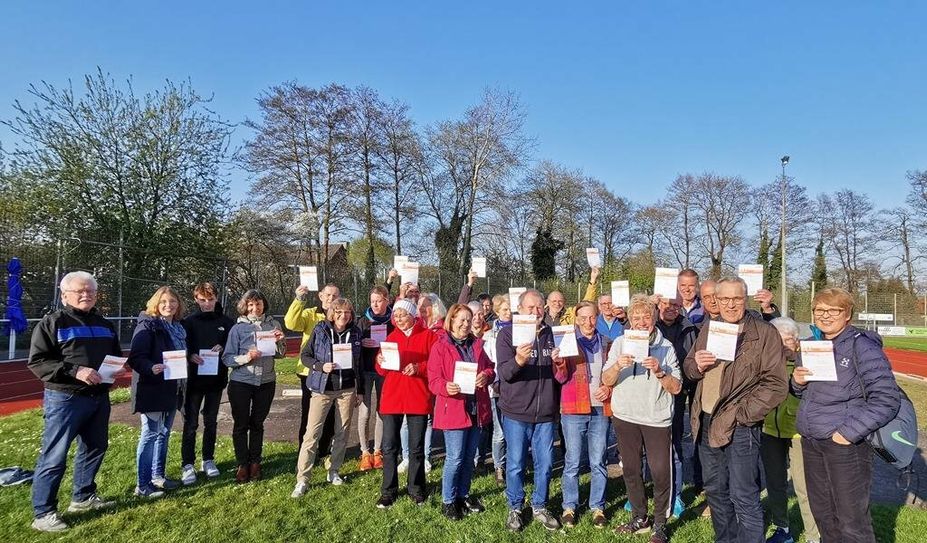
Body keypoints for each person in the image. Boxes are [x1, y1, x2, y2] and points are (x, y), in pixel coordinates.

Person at [683, 277, 788, 543]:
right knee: (716, 491)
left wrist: (743, 415)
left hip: (740, 426)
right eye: (725, 299)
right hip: (706, 421)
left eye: (737, 298)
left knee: (743, 494)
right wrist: (697, 365)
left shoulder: (764, 333)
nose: (730, 305)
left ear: (746, 299)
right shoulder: (710, 327)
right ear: (715, 301)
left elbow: (776, 384)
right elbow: (689, 368)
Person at [792, 288, 901, 543]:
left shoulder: (862, 346)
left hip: (845, 445)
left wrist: (847, 434)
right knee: (824, 516)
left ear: (847, 314)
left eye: (833, 310)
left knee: (852, 523)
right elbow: (804, 393)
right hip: (812, 440)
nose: (825, 315)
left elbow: (887, 398)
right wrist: (796, 382)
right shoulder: (813, 345)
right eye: (820, 310)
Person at [27, 271, 122, 532]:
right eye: (80, 291)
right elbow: (38, 362)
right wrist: (75, 371)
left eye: (90, 291)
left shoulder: (105, 324)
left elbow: (115, 354)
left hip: (98, 397)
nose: (86, 295)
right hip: (65, 398)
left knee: (95, 447)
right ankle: (43, 512)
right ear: (64, 294)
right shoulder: (53, 323)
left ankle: (83, 497)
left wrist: (116, 368)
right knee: (55, 455)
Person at [602, 294, 682, 543]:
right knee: (631, 470)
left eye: (646, 317)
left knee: (660, 472)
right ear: (630, 321)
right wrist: (618, 365)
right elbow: (606, 380)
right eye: (636, 317)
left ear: (654, 318)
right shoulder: (620, 343)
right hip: (625, 416)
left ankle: (660, 523)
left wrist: (659, 371)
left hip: (655, 418)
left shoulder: (666, 347)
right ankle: (639, 517)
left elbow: (677, 387)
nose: (641, 322)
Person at [497, 289, 569, 532]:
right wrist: (518, 360)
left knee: (546, 464)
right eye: (530, 307)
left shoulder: (553, 334)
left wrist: (560, 364)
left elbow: (561, 377)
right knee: (516, 463)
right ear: (519, 309)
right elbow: (504, 374)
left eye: (539, 307)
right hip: (516, 412)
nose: (536, 311)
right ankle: (515, 507)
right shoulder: (507, 334)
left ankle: (540, 504)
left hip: (546, 413)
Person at [428, 303, 495, 520]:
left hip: (476, 408)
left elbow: (491, 368)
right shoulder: (440, 346)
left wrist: (486, 376)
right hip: (454, 409)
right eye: (462, 320)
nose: (466, 324)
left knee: (468, 458)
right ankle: (448, 501)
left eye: (469, 319)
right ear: (452, 321)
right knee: (455, 458)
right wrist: (445, 387)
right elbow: (433, 380)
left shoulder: (477, 344)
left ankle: (462, 495)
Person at [292, 298, 363, 496]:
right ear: (332, 313)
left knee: (342, 432)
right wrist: (320, 366)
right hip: (322, 388)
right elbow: (305, 356)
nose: (343, 316)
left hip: (347, 389)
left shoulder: (355, 332)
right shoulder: (320, 329)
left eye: (347, 312)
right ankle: (302, 479)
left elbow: (360, 363)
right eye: (339, 312)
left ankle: (334, 470)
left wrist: (360, 390)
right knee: (312, 433)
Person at [374, 299, 437, 508]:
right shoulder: (391, 338)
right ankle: (388, 490)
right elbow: (381, 371)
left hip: (417, 397)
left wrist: (419, 368)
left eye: (403, 315)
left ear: (413, 316)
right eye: (396, 315)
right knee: (389, 447)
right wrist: (380, 361)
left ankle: (416, 488)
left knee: (416, 447)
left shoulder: (429, 336)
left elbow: (436, 365)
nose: (399, 319)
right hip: (393, 398)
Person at [762, 317, 820, 543]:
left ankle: (814, 535)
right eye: (778, 339)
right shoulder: (765, 361)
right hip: (769, 429)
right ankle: (782, 528)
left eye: (788, 339)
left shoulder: (808, 362)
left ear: (796, 341)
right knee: (775, 483)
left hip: (799, 432)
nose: (783, 344)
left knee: (805, 486)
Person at [127, 286, 188, 498]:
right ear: (155, 304)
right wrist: (151, 367)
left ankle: (158, 476)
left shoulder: (179, 328)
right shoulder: (148, 325)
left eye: (172, 301)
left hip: (173, 387)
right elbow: (136, 357)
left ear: (178, 305)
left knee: (164, 433)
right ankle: (142, 485)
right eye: (163, 302)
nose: (168, 305)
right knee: (150, 434)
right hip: (152, 387)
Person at [558, 301, 612, 529]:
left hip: (600, 408)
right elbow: (560, 378)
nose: (588, 322)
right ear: (576, 319)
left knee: (598, 461)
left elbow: (614, 373)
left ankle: (597, 507)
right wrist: (559, 362)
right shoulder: (567, 342)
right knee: (572, 461)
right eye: (583, 318)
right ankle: (569, 506)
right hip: (573, 408)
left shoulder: (607, 342)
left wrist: (608, 387)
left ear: (597, 318)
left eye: (592, 317)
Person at [223, 290, 285, 483]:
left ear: (263, 304)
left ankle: (255, 462)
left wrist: (280, 342)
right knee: (241, 425)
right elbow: (227, 358)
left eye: (258, 304)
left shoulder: (273, 325)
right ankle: (242, 463)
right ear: (245, 306)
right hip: (241, 382)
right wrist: (246, 357)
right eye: (250, 304)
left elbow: (281, 355)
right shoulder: (237, 329)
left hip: (266, 382)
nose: (255, 308)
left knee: (257, 424)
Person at [179, 282, 234, 485]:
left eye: (210, 299)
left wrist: (224, 346)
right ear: (196, 299)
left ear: (216, 298)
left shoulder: (227, 322)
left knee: (211, 421)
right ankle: (187, 464)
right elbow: (181, 346)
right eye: (202, 300)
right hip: (193, 382)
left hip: (216, 380)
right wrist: (190, 355)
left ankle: (208, 459)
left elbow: (233, 345)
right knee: (191, 424)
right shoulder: (188, 322)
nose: (207, 304)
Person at [655, 294, 698, 517]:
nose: (671, 308)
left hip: (677, 393)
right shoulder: (650, 324)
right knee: (650, 446)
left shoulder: (689, 328)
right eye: (666, 304)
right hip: (650, 393)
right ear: (658, 305)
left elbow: (692, 360)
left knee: (675, 443)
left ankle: (677, 493)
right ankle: (648, 491)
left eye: (675, 304)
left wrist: (686, 387)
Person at [284, 283, 339, 451]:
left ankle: (323, 450)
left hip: (332, 370)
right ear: (320, 296)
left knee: (330, 414)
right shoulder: (310, 314)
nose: (331, 298)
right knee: (309, 413)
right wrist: (299, 299)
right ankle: (305, 450)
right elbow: (291, 323)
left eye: (335, 296)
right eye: (328, 295)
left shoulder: (341, 315)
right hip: (310, 371)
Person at [398, 292, 444, 473]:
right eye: (419, 305)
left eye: (425, 305)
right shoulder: (415, 325)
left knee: (428, 419)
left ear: (435, 307)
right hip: (411, 380)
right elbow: (399, 314)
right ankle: (406, 456)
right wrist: (402, 294)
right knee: (405, 419)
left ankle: (425, 456)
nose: (421, 308)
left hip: (429, 379)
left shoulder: (441, 329)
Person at [356, 285, 393, 471]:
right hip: (365, 371)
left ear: (387, 300)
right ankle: (365, 452)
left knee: (381, 410)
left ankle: (378, 451)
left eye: (379, 301)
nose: (375, 304)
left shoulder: (393, 321)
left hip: (383, 372)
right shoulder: (363, 321)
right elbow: (353, 344)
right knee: (364, 412)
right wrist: (361, 342)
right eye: (372, 301)